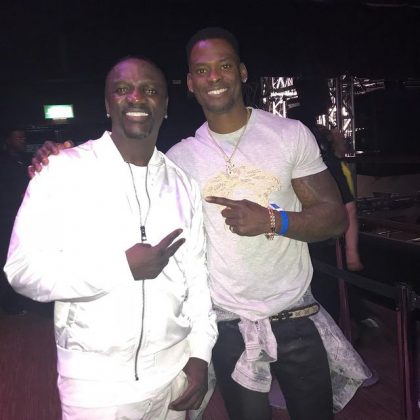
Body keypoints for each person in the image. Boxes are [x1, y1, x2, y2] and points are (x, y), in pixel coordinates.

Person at [28, 29, 372, 420]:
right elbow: (122, 168)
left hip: (294, 314)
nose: (214, 77)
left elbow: (334, 219)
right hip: (229, 325)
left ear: (242, 72)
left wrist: (272, 219)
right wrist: (58, 159)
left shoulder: (288, 135)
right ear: (190, 84)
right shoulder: (180, 159)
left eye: (224, 66)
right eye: (202, 70)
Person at [4, 57, 217, 420]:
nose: (136, 97)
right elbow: (22, 270)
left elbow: (197, 278)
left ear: (165, 106)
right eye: (122, 89)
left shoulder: (183, 184)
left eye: (150, 90)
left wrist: (200, 354)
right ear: (107, 104)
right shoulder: (63, 172)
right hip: (97, 387)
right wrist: (121, 268)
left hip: (173, 375)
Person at [0, 128, 30, 315]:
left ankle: (19, 297)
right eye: (18, 137)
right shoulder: (3, 161)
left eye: (24, 137)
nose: (23, 140)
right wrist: (16, 197)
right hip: (6, 217)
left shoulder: (25, 159)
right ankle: (9, 302)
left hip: (23, 216)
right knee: (7, 257)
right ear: (8, 140)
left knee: (21, 255)